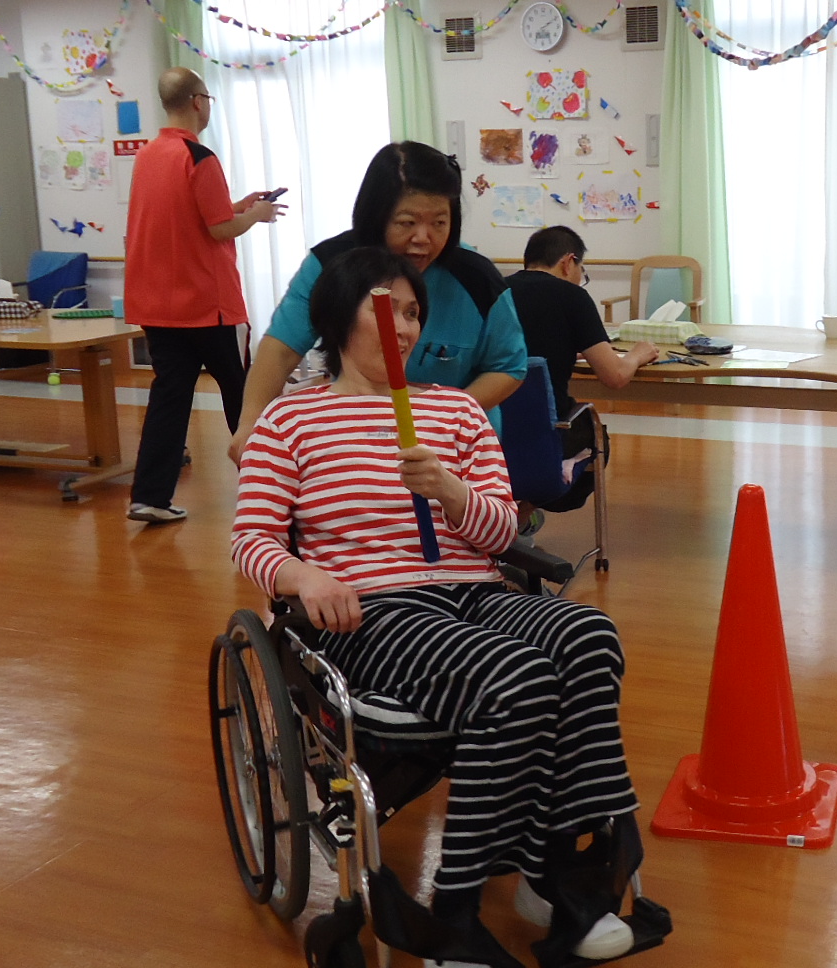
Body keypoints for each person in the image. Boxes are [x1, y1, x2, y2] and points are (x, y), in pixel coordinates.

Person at [231, 247, 643, 966]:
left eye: (414, 312)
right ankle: (457, 914)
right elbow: (252, 540)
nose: (405, 326)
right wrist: (303, 576)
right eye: (386, 309)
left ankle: (551, 871)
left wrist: (451, 491)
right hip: (371, 610)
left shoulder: (454, 409)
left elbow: (502, 532)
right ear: (339, 317)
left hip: (471, 589)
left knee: (590, 636)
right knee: (516, 677)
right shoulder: (289, 422)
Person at [230, 141, 525, 461]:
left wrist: (439, 418)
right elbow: (282, 349)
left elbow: (508, 367)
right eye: (407, 222)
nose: (423, 238)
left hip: (451, 446)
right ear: (376, 216)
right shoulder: (331, 265)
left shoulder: (478, 279)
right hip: (357, 443)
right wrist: (250, 425)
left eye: (439, 223)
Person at [123, 66, 281, 524]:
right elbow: (219, 230)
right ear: (198, 102)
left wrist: (240, 205)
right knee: (245, 395)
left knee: (169, 399)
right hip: (209, 307)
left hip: (158, 306)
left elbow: (191, 218)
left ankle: (149, 496)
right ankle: (271, 492)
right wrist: (257, 215)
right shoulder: (199, 156)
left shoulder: (147, 155)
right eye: (208, 98)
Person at [503, 226, 658, 513]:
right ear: (568, 261)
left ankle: (508, 515)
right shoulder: (572, 296)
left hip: (491, 430)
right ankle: (523, 516)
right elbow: (615, 376)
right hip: (548, 433)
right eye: (581, 271)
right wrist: (637, 355)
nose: (579, 279)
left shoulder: (496, 290)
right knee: (597, 437)